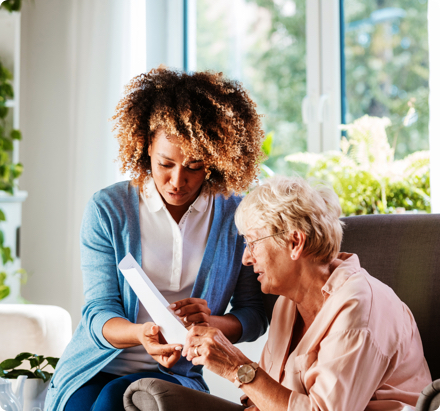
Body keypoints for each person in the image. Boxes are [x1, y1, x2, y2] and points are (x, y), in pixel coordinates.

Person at [44, 67, 268, 411]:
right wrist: (141, 335)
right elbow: (98, 311)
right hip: (96, 364)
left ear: (215, 160)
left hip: (175, 372)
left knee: (112, 403)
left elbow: (253, 316)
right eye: (166, 163)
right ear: (147, 145)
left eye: (194, 166)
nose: (178, 180)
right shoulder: (108, 209)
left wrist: (209, 323)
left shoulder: (235, 217)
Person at [183, 176, 431, 411]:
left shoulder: (360, 308)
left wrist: (236, 366)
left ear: (295, 243)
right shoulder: (286, 304)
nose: (246, 258)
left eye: (253, 242)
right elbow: (268, 396)